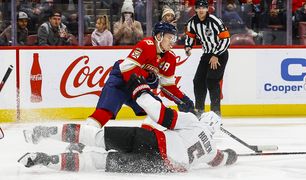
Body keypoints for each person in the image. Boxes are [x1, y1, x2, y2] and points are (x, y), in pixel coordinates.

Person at [19, 74, 237, 173]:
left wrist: (140, 91)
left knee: (93, 137)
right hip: (160, 167)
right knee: (97, 162)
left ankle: (44, 131)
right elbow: (223, 158)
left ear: (204, 120)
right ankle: (46, 160)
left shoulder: (192, 121)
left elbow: (160, 115)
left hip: (150, 141)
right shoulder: (211, 152)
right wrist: (232, 154)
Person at [84, 22, 194, 128]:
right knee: (105, 112)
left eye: (174, 38)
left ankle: (145, 140)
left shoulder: (170, 58)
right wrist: (146, 77)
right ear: (159, 36)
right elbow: (127, 68)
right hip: (121, 80)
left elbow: (168, 86)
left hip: (139, 87)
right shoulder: (147, 45)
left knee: (158, 110)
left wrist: (183, 99)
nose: (172, 42)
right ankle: (79, 138)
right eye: (170, 37)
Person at [184, 0, 230, 117]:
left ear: (207, 9)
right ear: (195, 9)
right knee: (198, 81)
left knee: (212, 80)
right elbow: (190, 36)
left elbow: (226, 39)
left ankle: (216, 112)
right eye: (198, 8)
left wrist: (216, 55)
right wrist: (188, 47)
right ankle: (199, 110)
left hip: (220, 54)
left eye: (203, 8)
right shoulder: (192, 22)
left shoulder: (215, 21)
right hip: (207, 54)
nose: (201, 10)